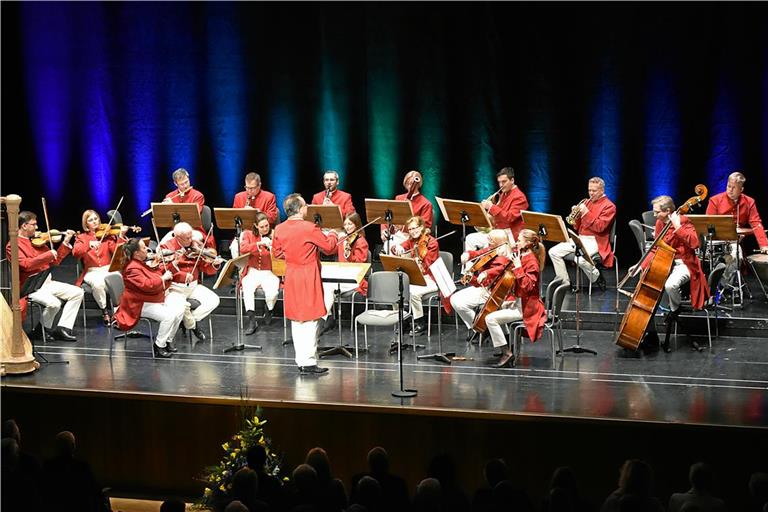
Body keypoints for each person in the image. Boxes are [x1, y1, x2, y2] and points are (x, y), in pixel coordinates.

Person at [631, 195, 709, 352]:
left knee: (670, 284)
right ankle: (650, 335)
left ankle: (674, 310)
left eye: (657, 212)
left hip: (684, 263)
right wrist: (640, 266)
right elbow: (655, 248)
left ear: (667, 211)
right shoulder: (660, 223)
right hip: (665, 262)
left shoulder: (684, 221)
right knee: (647, 295)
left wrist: (678, 226)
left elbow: (694, 243)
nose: (654, 216)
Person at [272, 193, 338, 374]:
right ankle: (308, 362)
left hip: (291, 274)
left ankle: (301, 360)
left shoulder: (279, 229)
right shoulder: (309, 227)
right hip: (308, 274)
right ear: (300, 209)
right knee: (309, 319)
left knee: (297, 318)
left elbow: (277, 253)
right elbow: (330, 247)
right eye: (305, 205)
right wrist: (332, 232)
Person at [7, 211, 83, 341]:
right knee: (54, 303)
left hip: (47, 283)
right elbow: (25, 265)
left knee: (78, 292)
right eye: (34, 224)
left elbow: (55, 260)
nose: (37, 228)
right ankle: (42, 330)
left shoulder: (38, 242)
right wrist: (47, 255)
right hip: (30, 287)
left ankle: (62, 328)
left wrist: (65, 242)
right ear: (24, 226)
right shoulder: (13, 245)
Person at [484, 229, 547, 368]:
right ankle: (508, 346)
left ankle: (506, 352)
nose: (516, 242)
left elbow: (528, 287)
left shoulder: (531, 262)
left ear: (528, 243)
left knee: (490, 319)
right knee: (496, 310)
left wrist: (518, 267)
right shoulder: (523, 256)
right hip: (520, 302)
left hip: (528, 307)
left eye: (519, 240)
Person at [113, 238, 185, 357]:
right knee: (169, 316)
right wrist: (162, 279)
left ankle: (168, 340)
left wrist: (173, 263)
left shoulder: (140, 263)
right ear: (136, 253)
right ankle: (159, 345)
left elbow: (155, 272)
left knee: (179, 311)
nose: (147, 249)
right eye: (143, 248)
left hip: (149, 299)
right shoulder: (132, 268)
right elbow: (147, 285)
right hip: (137, 304)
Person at [549, 177, 615, 292]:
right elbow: (577, 227)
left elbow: (600, 227)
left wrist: (586, 213)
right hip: (580, 238)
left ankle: (596, 276)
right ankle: (565, 283)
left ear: (602, 190)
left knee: (580, 258)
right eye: (589, 190)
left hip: (596, 241)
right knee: (553, 252)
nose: (591, 193)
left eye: (594, 191)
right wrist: (576, 217)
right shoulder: (586, 202)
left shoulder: (609, 206)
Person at [161, 222, 222, 342]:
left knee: (214, 300)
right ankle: (192, 327)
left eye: (191, 236)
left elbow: (205, 266)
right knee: (181, 307)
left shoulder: (195, 246)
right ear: (177, 237)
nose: (191, 240)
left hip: (193, 286)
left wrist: (213, 263)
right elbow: (164, 270)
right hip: (175, 287)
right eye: (187, 238)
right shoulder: (167, 247)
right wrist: (182, 274)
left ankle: (189, 322)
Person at [705, 171, 768, 287]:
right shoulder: (715, 200)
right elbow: (709, 224)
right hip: (717, 240)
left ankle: (727, 286)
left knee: (736, 256)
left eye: (734, 188)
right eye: (729, 186)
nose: (730, 190)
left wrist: (764, 244)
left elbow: (756, 223)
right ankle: (718, 285)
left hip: (735, 240)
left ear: (741, 189)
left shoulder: (749, 202)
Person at [451, 229, 514, 342]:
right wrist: (467, 254)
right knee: (455, 299)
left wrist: (486, 273)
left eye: (490, 239)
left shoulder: (505, 256)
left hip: (495, 291)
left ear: (497, 242)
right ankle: (481, 329)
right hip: (485, 287)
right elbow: (478, 253)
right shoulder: (492, 249)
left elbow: (501, 268)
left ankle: (481, 329)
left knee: (458, 302)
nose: (487, 240)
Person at [73, 210, 128, 325]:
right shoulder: (81, 237)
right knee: (98, 284)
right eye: (90, 220)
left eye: (96, 218)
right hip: (92, 271)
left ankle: (118, 312)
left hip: (109, 268)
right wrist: (88, 245)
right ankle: (104, 311)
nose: (94, 221)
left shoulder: (107, 235)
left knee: (117, 279)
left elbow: (118, 252)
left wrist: (121, 236)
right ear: (86, 223)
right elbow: (76, 252)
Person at [319, 212, 369, 335]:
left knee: (328, 286)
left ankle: (323, 319)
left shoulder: (361, 241)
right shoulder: (343, 239)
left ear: (356, 225)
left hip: (354, 278)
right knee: (324, 285)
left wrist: (348, 253)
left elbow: (360, 264)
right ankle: (327, 317)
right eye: (345, 224)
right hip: (341, 276)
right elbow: (329, 251)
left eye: (350, 224)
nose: (347, 227)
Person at [391, 215, 439, 336]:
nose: (412, 231)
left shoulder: (432, 242)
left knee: (413, 292)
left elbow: (430, 264)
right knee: (394, 291)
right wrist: (398, 247)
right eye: (410, 229)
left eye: (415, 228)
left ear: (422, 227)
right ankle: (403, 319)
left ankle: (420, 322)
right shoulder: (412, 241)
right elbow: (398, 247)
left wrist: (418, 259)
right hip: (417, 277)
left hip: (431, 278)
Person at [465, 167, 529, 252]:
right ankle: (470, 264)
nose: (501, 185)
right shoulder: (503, 194)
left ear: (512, 180)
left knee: (472, 239)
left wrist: (491, 207)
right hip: (499, 233)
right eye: (499, 182)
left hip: (510, 237)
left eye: (504, 181)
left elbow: (509, 218)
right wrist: (485, 216)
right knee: (471, 238)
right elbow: (499, 215)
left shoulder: (519, 197)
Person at [237, 212, 280, 335]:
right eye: (262, 227)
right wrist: (258, 244)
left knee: (272, 293)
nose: (265, 228)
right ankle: (252, 320)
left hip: (269, 272)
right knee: (247, 286)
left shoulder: (274, 235)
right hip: (253, 271)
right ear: (256, 226)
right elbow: (243, 249)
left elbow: (281, 252)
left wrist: (273, 247)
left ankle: (269, 308)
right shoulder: (248, 235)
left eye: (267, 225)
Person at [380, 170, 434, 252]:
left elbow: (425, 227)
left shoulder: (426, 204)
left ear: (418, 184)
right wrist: (384, 230)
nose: (410, 185)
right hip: (397, 235)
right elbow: (388, 216)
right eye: (408, 183)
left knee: (399, 251)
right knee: (388, 247)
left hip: (412, 238)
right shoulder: (399, 198)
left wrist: (406, 227)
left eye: (412, 183)